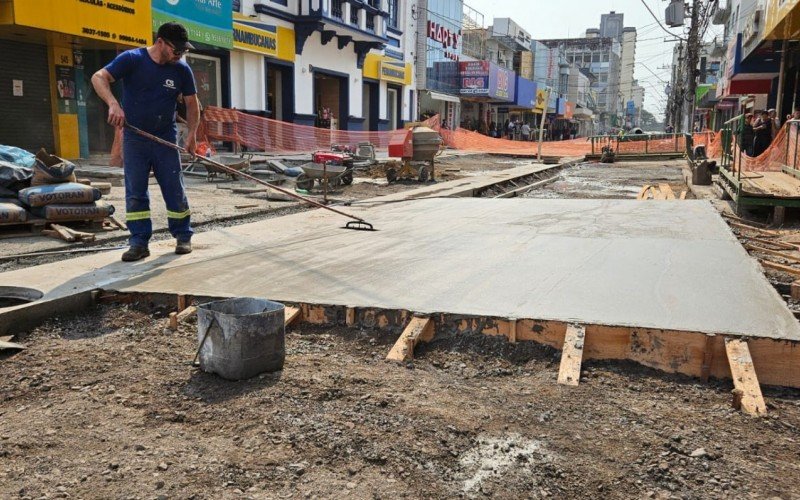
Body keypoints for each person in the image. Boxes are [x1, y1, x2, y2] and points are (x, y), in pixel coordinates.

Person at [92, 22, 199, 262]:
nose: (180, 55)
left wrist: (191, 135)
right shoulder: (132, 59)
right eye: (176, 49)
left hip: (165, 138)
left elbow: (192, 104)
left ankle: (183, 235)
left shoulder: (181, 70)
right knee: (135, 192)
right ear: (160, 42)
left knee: (174, 188)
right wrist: (113, 103)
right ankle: (139, 242)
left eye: (183, 51)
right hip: (135, 139)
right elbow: (99, 77)